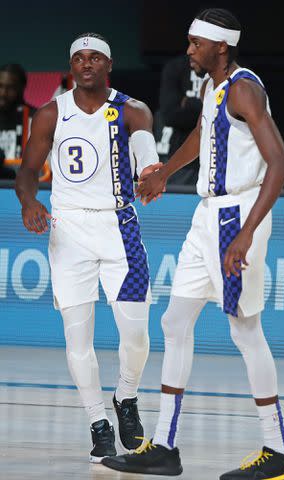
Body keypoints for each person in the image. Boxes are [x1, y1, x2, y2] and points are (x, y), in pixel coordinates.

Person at [101, 8, 284, 480]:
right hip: (206, 215)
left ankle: (279, 452)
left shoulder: (245, 88)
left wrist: (247, 232)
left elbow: (280, 165)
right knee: (174, 320)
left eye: (196, 43)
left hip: (236, 214)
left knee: (245, 329)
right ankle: (165, 448)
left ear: (220, 47)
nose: (188, 50)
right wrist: (164, 173)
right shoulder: (215, 87)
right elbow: (200, 134)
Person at [15, 32, 162, 463]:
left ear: (109, 65)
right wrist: (28, 201)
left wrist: (151, 170)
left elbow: (146, 153)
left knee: (136, 334)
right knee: (77, 337)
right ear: (71, 65)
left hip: (120, 228)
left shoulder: (133, 111)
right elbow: (26, 173)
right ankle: (99, 423)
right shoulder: (49, 114)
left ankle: (126, 398)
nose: (86, 64)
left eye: (95, 57)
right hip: (69, 231)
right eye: (78, 57)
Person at [154, 54, 206, 186]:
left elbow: (221, 114)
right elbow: (170, 116)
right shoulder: (176, 67)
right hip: (181, 163)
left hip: (216, 161)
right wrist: (202, 106)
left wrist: (189, 103)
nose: (190, 51)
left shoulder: (233, 77)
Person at [0, 63, 35, 179]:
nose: (3, 93)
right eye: (0, 86)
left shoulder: (36, 119)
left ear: (22, 87)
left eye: (10, 88)